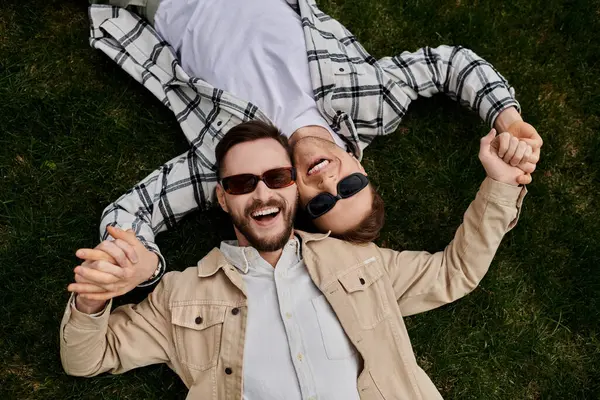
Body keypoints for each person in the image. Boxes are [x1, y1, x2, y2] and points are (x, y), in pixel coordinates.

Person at [84, 0, 542, 290]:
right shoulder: (373, 103)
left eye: (322, 202)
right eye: (351, 185)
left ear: (299, 200)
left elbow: (137, 209)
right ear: (361, 166)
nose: (329, 181)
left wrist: (140, 264)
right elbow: (450, 64)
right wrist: (508, 117)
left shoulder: (236, 168)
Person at [62, 120, 530, 399]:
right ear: (222, 200)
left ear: (294, 188)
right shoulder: (178, 296)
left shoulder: (358, 262)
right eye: (243, 183)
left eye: (277, 176)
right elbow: (86, 359)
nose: (262, 192)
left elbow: (455, 272)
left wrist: (502, 184)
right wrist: (90, 304)